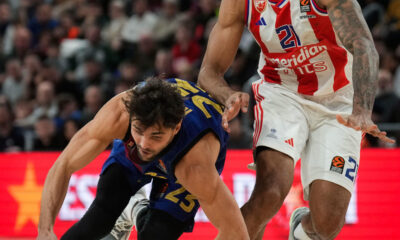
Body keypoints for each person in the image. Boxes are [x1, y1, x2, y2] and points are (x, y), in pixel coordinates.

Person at [198, 0, 395, 240]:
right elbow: (209, 72)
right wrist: (227, 94)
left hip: (339, 96)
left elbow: (364, 45)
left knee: (328, 223)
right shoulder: (239, 3)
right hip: (282, 92)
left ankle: (300, 231)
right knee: (269, 192)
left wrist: (363, 109)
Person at [37, 78, 249, 240]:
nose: (144, 143)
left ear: (175, 128)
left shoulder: (194, 166)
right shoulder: (120, 114)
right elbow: (63, 165)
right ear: (132, 119)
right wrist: (45, 231)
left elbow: (236, 232)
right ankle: (132, 207)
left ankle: (137, 209)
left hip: (186, 154)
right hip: (148, 144)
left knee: (155, 235)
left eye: (155, 135)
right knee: (97, 219)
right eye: (138, 130)